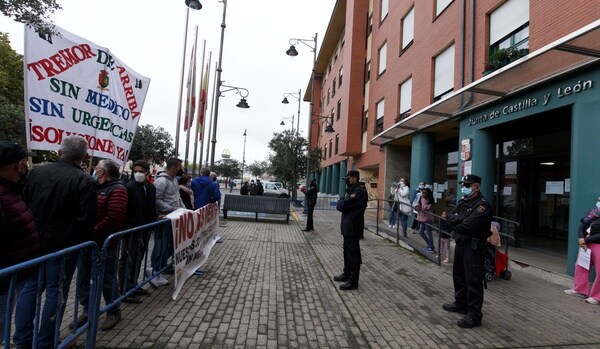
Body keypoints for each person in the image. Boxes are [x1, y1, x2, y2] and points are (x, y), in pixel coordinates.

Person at [14, 136, 97, 349]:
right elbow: (86, 219)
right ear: (84, 156)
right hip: (63, 246)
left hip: (35, 241)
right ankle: (45, 342)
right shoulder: (83, 180)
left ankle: (23, 340)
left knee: (31, 287)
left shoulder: (36, 173)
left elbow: (23, 204)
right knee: (55, 290)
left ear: (60, 152)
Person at [78, 159, 128, 331]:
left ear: (104, 172)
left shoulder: (118, 189)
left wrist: (93, 230)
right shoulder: (94, 187)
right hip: (88, 242)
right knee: (85, 278)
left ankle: (113, 311)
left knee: (106, 279)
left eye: (97, 168)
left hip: (105, 243)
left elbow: (113, 216)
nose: (94, 169)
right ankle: (88, 310)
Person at [0, 142, 40, 345]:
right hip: (5, 278)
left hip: (16, 275)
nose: (26, 164)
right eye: (24, 160)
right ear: (17, 166)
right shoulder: (4, 196)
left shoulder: (14, 191)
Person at [442, 174, 493, 329]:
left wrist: (455, 221)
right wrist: (456, 220)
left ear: (476, 187)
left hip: (474, 247)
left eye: (467, 185)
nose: (464, 187)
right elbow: (447, 217)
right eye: (463, 184)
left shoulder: (482, 206)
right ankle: (461, 303)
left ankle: (474, 314)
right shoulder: (463, 203)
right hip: (461, 244)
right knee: (459, 275)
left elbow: (469, 226)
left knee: (473, 280)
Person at [118, 160, 157, 304]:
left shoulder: (151, 188)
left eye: (141, 171)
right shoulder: (129, 187)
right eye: (136, 171)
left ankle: (133, 284)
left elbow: (150, 207)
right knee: (126, 259)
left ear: (147, 172)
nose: (138, 174)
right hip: (131, 230)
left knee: (138, 257)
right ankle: (124, 289)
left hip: (145, 230)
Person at [150, 158, 185, 287]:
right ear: (173, 167)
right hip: (165, 219)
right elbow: (156, 200)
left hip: (174, 218)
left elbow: (178, 198)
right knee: (161, 245)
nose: (180, 169)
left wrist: (185, 210)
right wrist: (171, 209)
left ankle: (159, 269)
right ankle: (155, 270)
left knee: (170, 245)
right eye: (178, 167)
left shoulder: (174, 181)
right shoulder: (161, 182)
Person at [333, 171, 367, 291]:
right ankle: (346, 273)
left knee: (353, 255)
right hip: (348, 227)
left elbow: (341, 206)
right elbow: (342, 204)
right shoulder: (351, 191)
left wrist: (342, 201)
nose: (346, 181)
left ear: (354, 178)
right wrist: (342, 201)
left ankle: (353, 280)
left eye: (348, 178)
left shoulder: (359, 192)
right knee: (347, 252)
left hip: (353, 227)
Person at [564, 196, 600, 304]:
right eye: (598, 200)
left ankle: (597, 297)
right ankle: (580, 289)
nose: (598, 203)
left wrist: (585, 240)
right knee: (581, 267)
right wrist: (581, 239)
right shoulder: (593, 214)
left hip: (596, 245)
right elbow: (581, 227)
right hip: (586, 245)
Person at [415, 188, 435, 253]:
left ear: (428, 194)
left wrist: (420, 208)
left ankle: (431, 247)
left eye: (425, 193)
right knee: (421, 232)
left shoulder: (430, 200)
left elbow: (426, 208)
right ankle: (430, 245)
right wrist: (417, 207)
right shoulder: (421, 198)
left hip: (428, 218)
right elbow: (418, 204)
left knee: (429, 232)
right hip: (422, 218)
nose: (423, 194)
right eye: (423, 192)